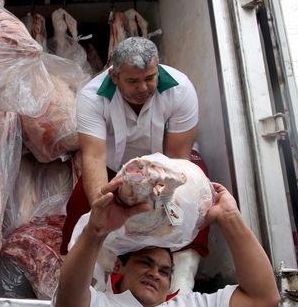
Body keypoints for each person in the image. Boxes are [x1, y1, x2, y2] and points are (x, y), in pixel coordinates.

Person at [61, 36, 207, 292]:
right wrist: (102, 209)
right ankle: (91, 280)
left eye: (150, 78)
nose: (143, 87)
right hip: (115, 167)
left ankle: (182, 280)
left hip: (168, 165)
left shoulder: (181, 88)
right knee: (79, 209)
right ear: (114, 77)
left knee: (199, 203)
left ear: (158, 69)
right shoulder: (92, 97)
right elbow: (94, 157)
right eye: (133, 81)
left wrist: (165, 202)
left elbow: (178, 157)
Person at [54, 180, 281, 307]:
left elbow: (263, 298)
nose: (155, 274)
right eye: (145, 262)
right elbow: (69, 298)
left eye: (165, 272)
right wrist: (96, 232)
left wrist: (229, 217)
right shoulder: (100, 303)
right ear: (118, 267)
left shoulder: (186, 305)